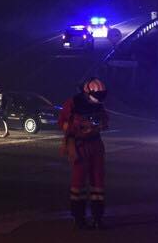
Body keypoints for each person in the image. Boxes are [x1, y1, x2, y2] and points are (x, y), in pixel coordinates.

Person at [59, 77, 109, 230]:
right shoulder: (72, 104)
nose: (97, 102)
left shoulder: (99, 104)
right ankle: (78, 217)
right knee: (78, 183)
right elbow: (62, 122)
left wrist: (99, 124)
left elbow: (105, 120)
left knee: (98, 183)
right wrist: (78, 126)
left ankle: (97, 217)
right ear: (87, 93)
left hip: (95, 144)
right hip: (79, 146)